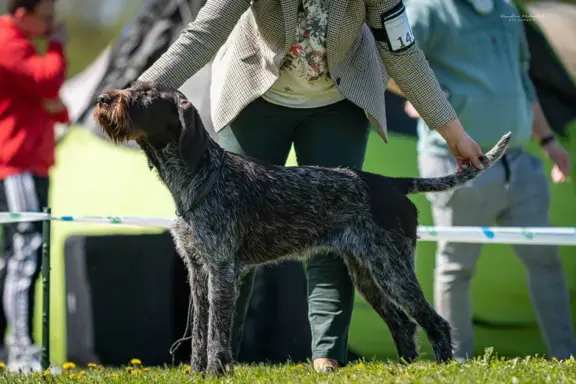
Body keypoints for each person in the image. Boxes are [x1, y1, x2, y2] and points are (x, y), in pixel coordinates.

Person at [136, 0, 486, 372]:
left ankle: (328, 357)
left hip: (338, 99)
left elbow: (403, 51)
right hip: (257, 91)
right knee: (221, 237)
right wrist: (138, 96)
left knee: (341, 231)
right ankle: (216, 363)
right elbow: (203, 35)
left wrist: (453, 131)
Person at [389, 0, 576, 362]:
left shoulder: (508, 10)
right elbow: (391, 62)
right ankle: (456, 362)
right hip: (457, 165)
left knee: (546, 263)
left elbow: (523, 80)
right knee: (457, 267)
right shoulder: (427, 10)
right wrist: (420, 96)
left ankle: (567, 357)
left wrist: (549, 142)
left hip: (519, 162)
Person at [0, 0, 69, 372]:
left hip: (32, 164)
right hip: (16, 165)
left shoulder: (23, 47)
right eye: (47, 17)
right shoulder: (6, 42)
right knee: (25, 256)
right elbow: (48, 83)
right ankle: (22, 351)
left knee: (19, 256)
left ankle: (13, 348)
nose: (52, 24)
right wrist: (57, 46)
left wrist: (47, 94)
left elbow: (58, 107)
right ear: (22, 14)